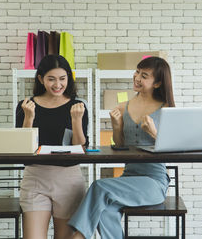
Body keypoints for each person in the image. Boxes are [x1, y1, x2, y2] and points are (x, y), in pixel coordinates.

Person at [68, 56, 175, 239]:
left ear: (157, 83)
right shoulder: (124, 106)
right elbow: (120, 146)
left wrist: (155, 134)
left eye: (144, 75)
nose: (137, 78)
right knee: (105, 211)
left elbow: (175, 148)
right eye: (137, 72)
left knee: (98, 186)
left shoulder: (167, 108)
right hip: (128, 178)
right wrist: (116, 127)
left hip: (153, 182)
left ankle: (78, 236)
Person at [16, 54, 89, 239]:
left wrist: (76, 120)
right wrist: (29, 118)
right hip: (35, 178)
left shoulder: (78, 106)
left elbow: (80, 147)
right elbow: (22, 148)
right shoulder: (26, 106)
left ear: (68, 79)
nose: (58, 85)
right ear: (41, 79)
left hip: (68, 180)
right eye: (51, 79)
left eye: (62, 79)